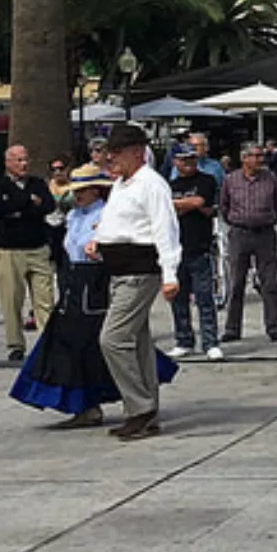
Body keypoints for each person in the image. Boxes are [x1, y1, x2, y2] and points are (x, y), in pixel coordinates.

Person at [11, 163, 176, 428]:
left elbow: (110, 243)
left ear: (96, 191)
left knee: (103, 342)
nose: (77, 195)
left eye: (83, 190)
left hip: (97, 280)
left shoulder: (105, 213)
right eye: (75, 190)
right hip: (74, 279)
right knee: (68, 344)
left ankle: (136, 404)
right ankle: (86, 405)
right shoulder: (75, 215)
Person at [88, 124, 182, 440]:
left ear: (137, 152)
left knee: (112, 339)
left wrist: (170, 275)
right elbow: (119, 223)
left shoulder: (151, 185)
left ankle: (139, 407)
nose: (110, 158)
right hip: (119, 270)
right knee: (138, 342)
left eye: (116, 153)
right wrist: (98, 242)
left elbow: (165, 230)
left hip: (140, 272)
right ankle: (148, 411)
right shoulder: (121, 185)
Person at [0, 144, 57, 363]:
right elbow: (2, 209)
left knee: (45, 299)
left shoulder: (37, 183)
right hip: (10, 251)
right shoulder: (0, 185)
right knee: (12, 300)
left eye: (25, 159)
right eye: (18, 160)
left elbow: (48, 205)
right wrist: (29, 202)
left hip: (37, 248)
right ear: (8, 162)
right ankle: (15, 344)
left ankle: (48, 343)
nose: (23, 164)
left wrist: (22, 208)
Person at [223, 141, 277, 345]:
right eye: (255, 156)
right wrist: (237, 222)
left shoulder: (270, 179)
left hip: (265, 234)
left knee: (270, 283)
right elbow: (225, 206)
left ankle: (274, 327)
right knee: (236, 283)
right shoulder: (231, 180)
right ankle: (232, 328)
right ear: (244, 158)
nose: (260, 160)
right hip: (239, 233)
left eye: (261, 155)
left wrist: (267, 220)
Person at [166, 144, 223, 361]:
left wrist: (178, 204)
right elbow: (165, 208)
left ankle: (210, 342)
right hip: (176, 248)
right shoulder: (169, 185)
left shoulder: (206, 180)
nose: (188, 163)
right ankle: (184, 340)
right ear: (175, 162)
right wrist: (185, 205)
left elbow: (200, 202)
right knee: (178, 298)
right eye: (183, 160)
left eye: (191, 159)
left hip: (200, 247)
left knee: (204, 297)